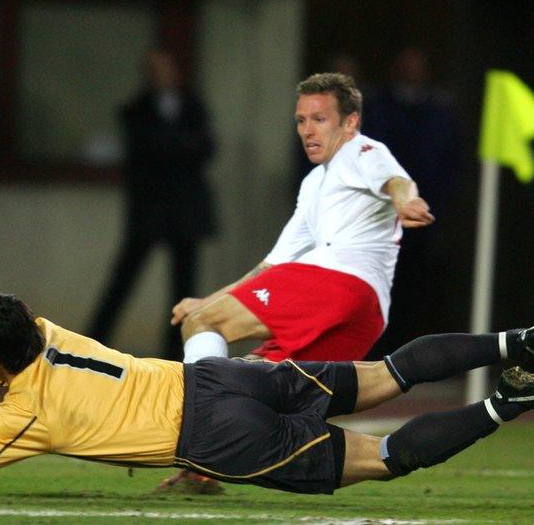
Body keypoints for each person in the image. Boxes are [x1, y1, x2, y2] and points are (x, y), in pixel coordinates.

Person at [0, 293, 534, 499]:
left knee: (382, 457)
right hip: (222, 377)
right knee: (388, 371)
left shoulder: (21, 417)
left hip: (215, 439)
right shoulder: (47, 327)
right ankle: (519, 342)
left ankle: (520, 399)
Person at [172, 72, 433, 368]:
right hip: (367, 317)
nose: (307, 130)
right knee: (257, 379)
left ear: (350, 122)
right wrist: (207, 300)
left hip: (336, 282)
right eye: (301, 120)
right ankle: (221, 398)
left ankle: (204, 398)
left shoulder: (360, 150)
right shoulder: (313, 183)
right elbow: (270, 266)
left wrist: (406, 201)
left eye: (319, 119)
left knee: (202, 324)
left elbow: (396, 181)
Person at [87, 49, 218, 360]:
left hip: (184, 211)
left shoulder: (193, 106)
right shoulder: (136, 110)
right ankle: (92, 344)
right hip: (149, 209)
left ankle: (175, 354)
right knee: (123, 280)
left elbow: (206, 148)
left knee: (183, 289)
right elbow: (150, 147)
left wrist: (172, 145)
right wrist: (180, 145)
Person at [361, 47, 463, 354]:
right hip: (379, 214)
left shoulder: (440, 110)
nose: (410, 72)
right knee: (376, 281)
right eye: (404, 66)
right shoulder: (375, 107)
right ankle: (373, 350)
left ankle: (407, 352)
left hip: (424, 216)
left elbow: (450, 162)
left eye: (416, 66)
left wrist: (437, 204)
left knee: (416, 286)